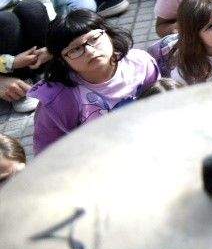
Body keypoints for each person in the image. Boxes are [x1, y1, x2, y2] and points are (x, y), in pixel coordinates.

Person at [29, 10, 161, 150]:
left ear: (108, 34)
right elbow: (47, 152)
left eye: (94, 39)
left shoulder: (140, 63)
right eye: (75, 49)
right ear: (62, 60)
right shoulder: (58, 99)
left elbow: (161, 106)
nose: (90, 51)